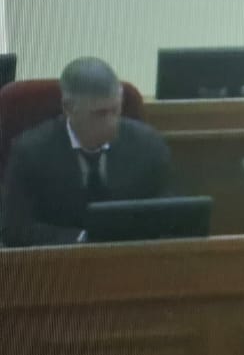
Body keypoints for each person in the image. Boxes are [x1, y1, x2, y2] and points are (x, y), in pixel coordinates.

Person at [1, 57, 171, 246]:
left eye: (116, 111)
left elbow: (170, 216)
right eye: (100, 114)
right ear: (68, 108)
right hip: (60, 259)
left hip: (131, 255)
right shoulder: (31, 152)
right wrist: (82, 240)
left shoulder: (148, 145)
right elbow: (15, 229)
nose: (112, 123)